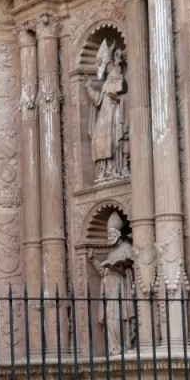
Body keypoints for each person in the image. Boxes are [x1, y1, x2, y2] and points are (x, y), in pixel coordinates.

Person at [93, 213, 136, 354]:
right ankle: (113, 348)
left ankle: (125, 345)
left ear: (119, 233)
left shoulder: (126, 248)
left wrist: (119, 267)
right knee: (111, 320)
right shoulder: (111, 253)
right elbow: (104, 273)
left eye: (113, 233)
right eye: (108, 234)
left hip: (121, 289)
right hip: (110, 292)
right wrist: (94, 260)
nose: (110, 237)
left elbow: (129, 267)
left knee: (122, 318)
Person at [85, 41, 127, 182]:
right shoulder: (107, 81)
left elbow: (119, 94)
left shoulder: (115, 74)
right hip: (104, 116)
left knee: (112, 141)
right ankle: (103, 171)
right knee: (99, 140)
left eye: (104, 64)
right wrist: (89, 88)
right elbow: (99, 99)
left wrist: (117, 98)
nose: (104, 68)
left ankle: (114, 169)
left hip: (112, 115)